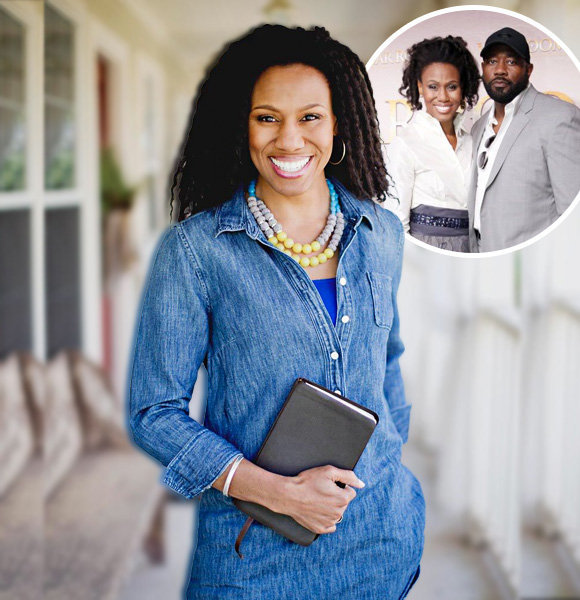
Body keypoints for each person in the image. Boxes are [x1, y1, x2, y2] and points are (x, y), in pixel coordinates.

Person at [128, 25, 424, 599]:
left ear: (339, 124)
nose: (289, 139)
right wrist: (278, 493)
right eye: (267, 117)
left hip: (382, 539)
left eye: (310, 117)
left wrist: (390, 457)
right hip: (253, 553)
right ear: (243, 127)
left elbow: (387, 358)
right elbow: (153, 411)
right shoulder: (196, 251)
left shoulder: (381, 232)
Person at [469, 26, 580, 252]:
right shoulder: (478, 127)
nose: (500, 70)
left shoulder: (559, 117)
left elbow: (572, 212)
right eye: (492, 61)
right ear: (483, 68)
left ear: (528, 69)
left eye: (510, 62)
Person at [387, 36, 480, 252]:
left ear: (463, 87)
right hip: (424, 248)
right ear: (420, 87)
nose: (443, 97)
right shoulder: (405, 143)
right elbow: (396, 223)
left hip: (470, 247)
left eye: (452, 86)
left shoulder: (472, 143)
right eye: (433, 86)